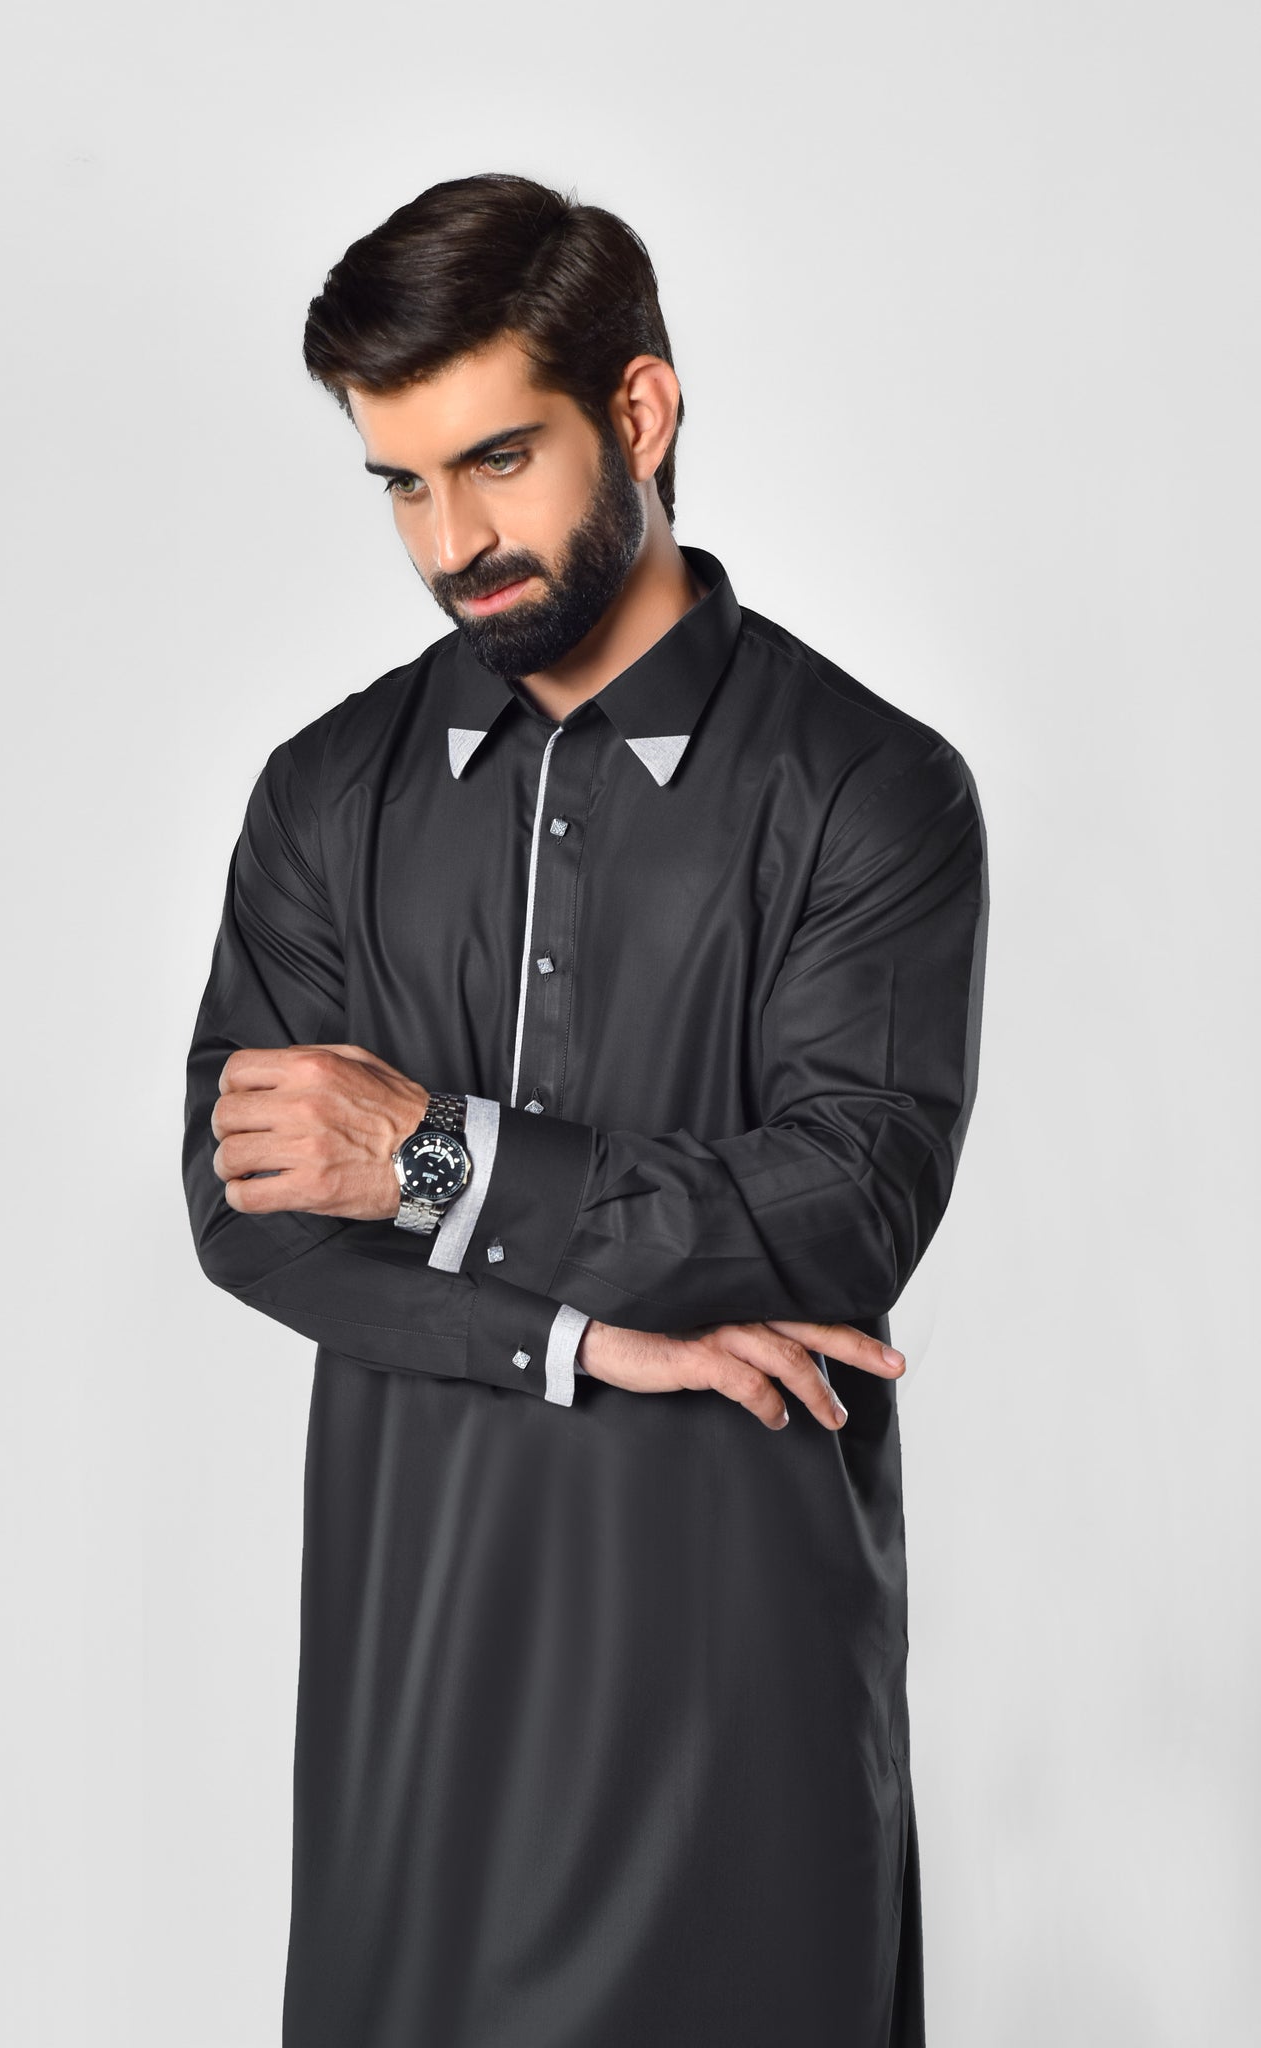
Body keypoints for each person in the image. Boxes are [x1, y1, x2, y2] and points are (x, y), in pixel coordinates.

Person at [181, 170, 989, 2048]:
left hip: (738, 1690)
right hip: (413, 1685)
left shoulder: (868, 790)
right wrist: (583, 1340)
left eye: (497, 461)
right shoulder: (327, 793)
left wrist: (429, 1158)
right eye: (401, 484)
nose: (452, 540)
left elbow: (845, 1202)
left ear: (640, 409)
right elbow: (245, 1206)